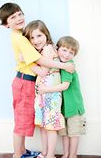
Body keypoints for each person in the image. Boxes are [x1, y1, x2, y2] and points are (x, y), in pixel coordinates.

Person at [0, 2, 74, 158]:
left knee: (27, 119)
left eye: (20, 14)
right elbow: (42, 64)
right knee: (22, 121)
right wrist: (63, 65)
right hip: (25, 82)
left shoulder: (23, 36)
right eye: (13, 17)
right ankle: (18, 154)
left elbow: (39, 61)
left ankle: (25, 152)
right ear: (6, 24)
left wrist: (26, 59)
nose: (18, 18)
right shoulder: (21, 39)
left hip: (30, 83)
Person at [38, 36, 86, 158]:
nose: (67, 54)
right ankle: (66, 154)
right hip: (64, 107)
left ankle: (73, 155)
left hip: (74, 107)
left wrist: (45, 90)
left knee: (73, 133)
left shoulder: (68, 67)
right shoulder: (59, 65)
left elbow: (64, 86)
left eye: (71, 52)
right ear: (57, 49)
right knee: (64, 133)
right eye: (64, 50)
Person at [24, 20, 65, 158]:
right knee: (43, 125)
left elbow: (43, 72)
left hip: (51, 94)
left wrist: (26, 61)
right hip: (42, 95)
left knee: (51, 126)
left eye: (39, 36)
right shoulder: (40, 51)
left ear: (46, 35)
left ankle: (50, 155)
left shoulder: (48, 49)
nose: (35, 40)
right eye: (32, 37)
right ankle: (45, 152)